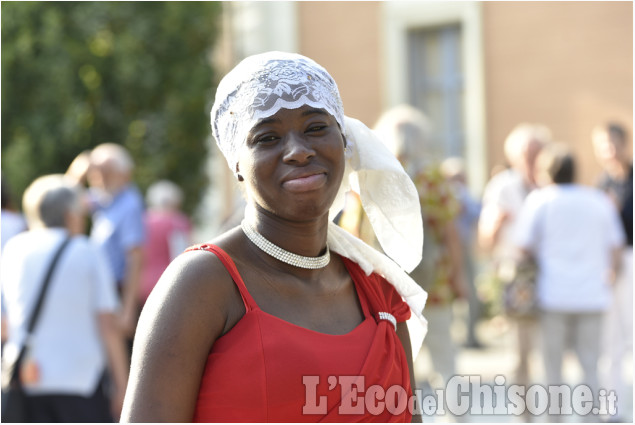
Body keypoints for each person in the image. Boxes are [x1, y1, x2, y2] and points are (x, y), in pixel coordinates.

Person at [121, 52, 428, 422]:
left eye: (316, 127)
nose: (299, 151)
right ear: (236, 163)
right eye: (267, 137)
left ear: (344, 141)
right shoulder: (201, 285)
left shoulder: (380, 293)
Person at [0, 174, 129, 422]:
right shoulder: (88, 251)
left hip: (23, 378)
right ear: (70, 214)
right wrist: (123, 387)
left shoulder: (14, 249)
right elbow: (108, 326)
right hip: (81, 381)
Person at [514, 144, 624, 422]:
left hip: (553, 295)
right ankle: (590, 419)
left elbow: (522, 246)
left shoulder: (540, 200)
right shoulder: (598, 200)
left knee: (552, 368)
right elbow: (616, 249)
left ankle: (555, 420)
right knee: (590, 365)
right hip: (592, 295)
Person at [477, 123, 550, 386]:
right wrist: (495, 224)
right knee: (520, 350)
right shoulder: (502, 187)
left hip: (551, 274)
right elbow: (485, 238)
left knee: (551, 350)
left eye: (536, 153)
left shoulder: (550, 185)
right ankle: (524, 414)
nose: (530, 160)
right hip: (517, 275)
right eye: (525, 154)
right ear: (513, 157)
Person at [66, 144, 145, 341]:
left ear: (123, 174)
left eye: (104, 171)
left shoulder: (129, 203)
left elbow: (134, 257)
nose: (97, 177)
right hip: (101, 291)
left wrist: (128, 310)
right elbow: (63, 202)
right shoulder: (103, 199)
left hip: (116, 293)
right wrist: (78, 172)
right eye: (95, 172)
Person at [592, 122, 633, 419]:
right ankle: (612, 408)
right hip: (609, 266)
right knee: (611, 340)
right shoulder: (600, 185)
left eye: (613, 142)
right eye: (603, 144)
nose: (609, 149)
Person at [441, 157, 482, 348]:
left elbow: (476, 213)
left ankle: (467, 336)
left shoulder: (458, 195)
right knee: (454, 292)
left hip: (458, 248)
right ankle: (457, 336)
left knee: (466, 292)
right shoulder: (448, 194)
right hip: (449, 249)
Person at [140, 180, 192, 306]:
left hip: (142, 284)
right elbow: (181, 256)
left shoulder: (143, 221)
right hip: (168, 284)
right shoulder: (177, 222)